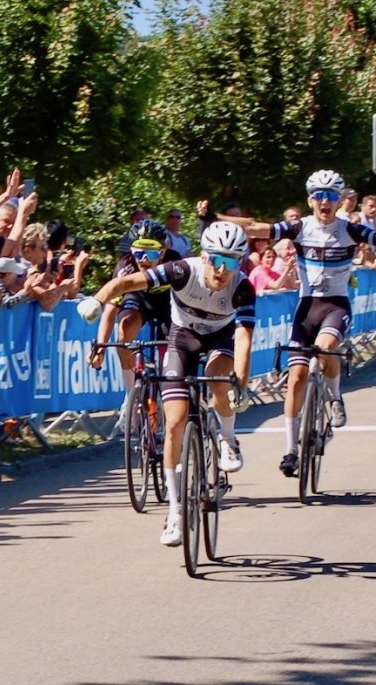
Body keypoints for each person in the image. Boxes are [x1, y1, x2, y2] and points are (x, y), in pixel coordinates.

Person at [218, 169, 376, 478]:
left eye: (331, 196)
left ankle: (334, 397)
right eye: (319, 196)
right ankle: (291, 449)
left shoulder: (350, 230)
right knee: (295, 378)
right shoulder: (299, 228)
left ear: (338, 201)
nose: (325, 202)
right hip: (306, 308)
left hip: (336, 305)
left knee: (325, 348)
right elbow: (255, 228)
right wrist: (216, 218)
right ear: (310, 200)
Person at [78, 221, 255, 547]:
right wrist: (98, 298)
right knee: (173, 422)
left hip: (220, 340)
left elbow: (244, 338)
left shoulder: (242, 287)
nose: (221, 269)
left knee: (219, 379)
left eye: (231, 262)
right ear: (204, 256)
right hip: (182, 339)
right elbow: (129, 281)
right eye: (216, 259)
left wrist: (240, 383)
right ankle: (175, 511)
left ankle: (228, 438)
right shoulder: (181, 270)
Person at [87, 219, 183, 396]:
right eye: (139, 253)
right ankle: (131, 394)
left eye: (151, 254)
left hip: (168, 302)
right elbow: (110, 311)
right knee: (125, 327)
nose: (145, 259)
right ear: (132, 251)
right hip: (139, 298)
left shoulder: (175, 263)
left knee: (170, 354)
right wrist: (100, 347)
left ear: (162, 253)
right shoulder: (126, 267)